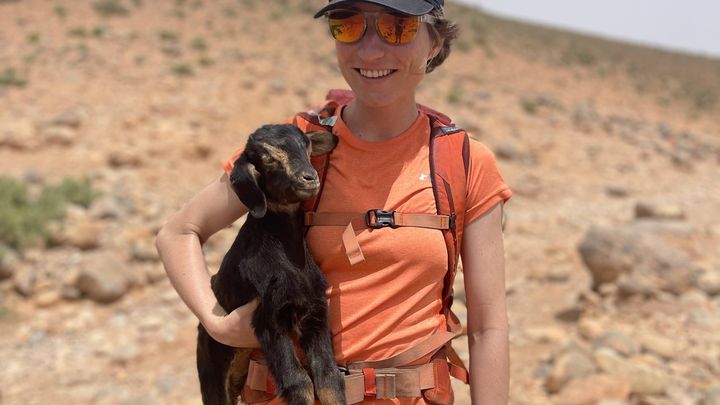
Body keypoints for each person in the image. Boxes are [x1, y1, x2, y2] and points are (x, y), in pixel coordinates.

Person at [156, 0, 512, 403]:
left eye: (398, 28)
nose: (371, 49)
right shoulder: (293, 145)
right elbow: (178, 231)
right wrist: (216, 322)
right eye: (349, 26)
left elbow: (488, 330)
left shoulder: (464, 162)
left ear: (435, 42)